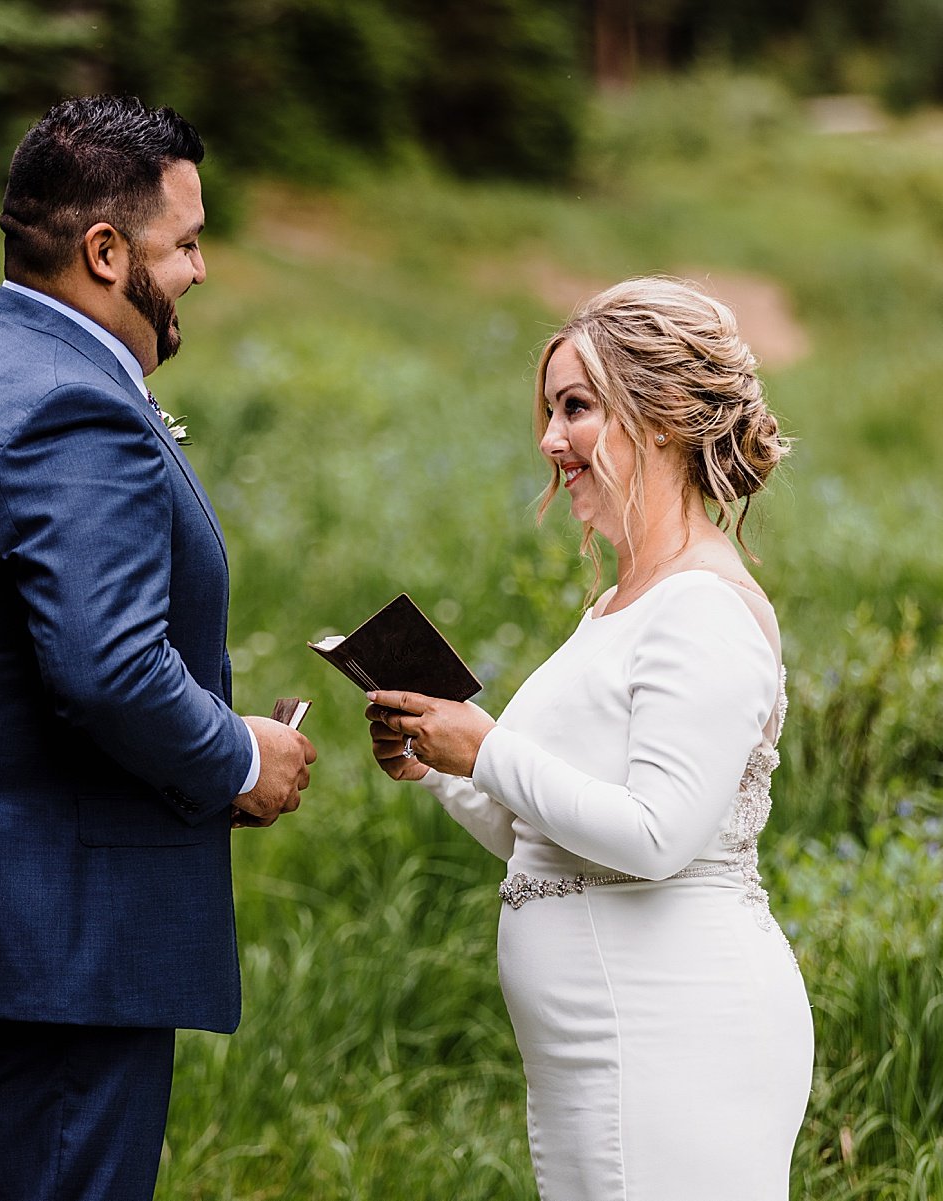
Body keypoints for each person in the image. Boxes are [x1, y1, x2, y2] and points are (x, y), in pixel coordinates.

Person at [0, 95, 317, 1201]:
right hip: (50, 938)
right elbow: (107, 668)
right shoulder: (72, 406)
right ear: (106, 253)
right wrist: (239, 758)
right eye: (189, 242)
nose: (203, 270)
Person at [363, 277, 812, 1199]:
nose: (550, 439)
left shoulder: (703, 608)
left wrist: (486, 748)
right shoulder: (617, 605)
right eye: (550, 410)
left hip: (674, 1032)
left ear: (659, 418)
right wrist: (439, 762)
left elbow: (657, 835)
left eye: (576, 408)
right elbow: (545, 832)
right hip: (600, 1048)